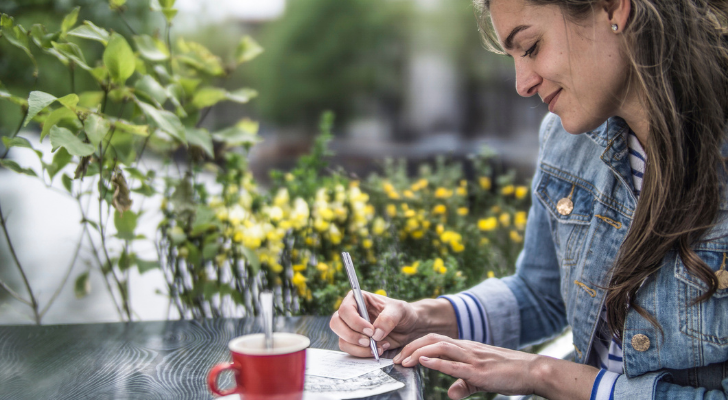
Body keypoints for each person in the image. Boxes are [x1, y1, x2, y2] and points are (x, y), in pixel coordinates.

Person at [330, 0, 728, 399]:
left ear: (612, 9)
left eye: (532, 46)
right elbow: (541, 293)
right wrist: (421, 318)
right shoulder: (566, 135)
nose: (522, 84)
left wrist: (546, 375)